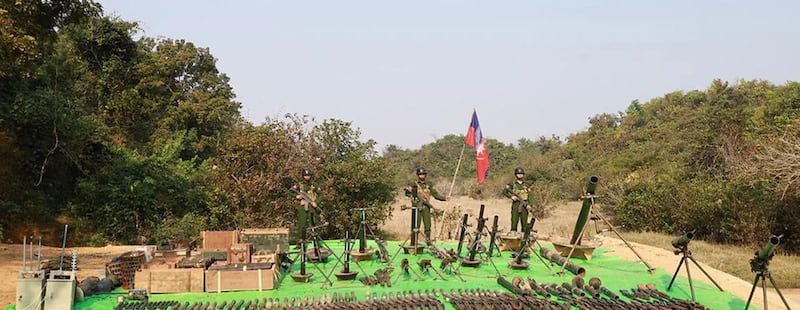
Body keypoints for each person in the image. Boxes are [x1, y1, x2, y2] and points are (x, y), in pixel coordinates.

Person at [404, 167, 447, 243]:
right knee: (416, 225)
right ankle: (414, 241)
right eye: (420, 174)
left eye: (423, 174)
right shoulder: (414, 184)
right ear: (418, 175)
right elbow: (407, 194)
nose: (422, 176)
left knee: (427, 226)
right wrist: (410, 193)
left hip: (426, 207)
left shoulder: (428, 185)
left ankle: (428, 241)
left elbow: (435, 195)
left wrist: (444, 198)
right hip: (417, 207)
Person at [291, 168, 322, 244]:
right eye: (305, 175)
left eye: (308, 175)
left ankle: (317, 242)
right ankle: (300, 242)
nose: (307, 177)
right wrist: (296, 197)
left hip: (312, 207)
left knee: (315, 224)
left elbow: (321, 195)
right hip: (303, 206)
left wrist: (316, 202)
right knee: (302, 224)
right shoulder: (299, 185)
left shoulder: (314, 185)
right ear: (303, 176)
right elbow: (291, 192)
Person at [502, 167, 534, 235]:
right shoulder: (512, 184)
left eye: (521, 174)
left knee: (524, 223)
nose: (520, 175)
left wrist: (529, 205)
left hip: (524, 205)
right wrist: (511, 197)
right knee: (514, 222)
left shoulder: (526, 184)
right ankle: (513, 236)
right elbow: (504, 192)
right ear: (516, 175)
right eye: (518, 174)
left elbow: (530, 195)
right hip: (516, 205)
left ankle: (524, 238)